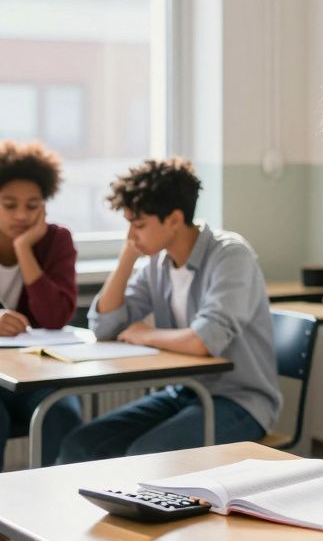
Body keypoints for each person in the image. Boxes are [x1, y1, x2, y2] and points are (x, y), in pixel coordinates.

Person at [58, 158, 281, 462]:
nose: (130, 236)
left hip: (240, 401)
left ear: (174, 219)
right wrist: (127, 257)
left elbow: (203, 341)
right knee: (80, 444)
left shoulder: (231, 255)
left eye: (139, 226)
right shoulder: (157, 264)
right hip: (184, 393)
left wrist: (146, 335)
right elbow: (104, 327)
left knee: (146, 456)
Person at [0, 141, 81, 467]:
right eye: (10, 205)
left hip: (38, 377)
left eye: (32, 206)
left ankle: (53, 498)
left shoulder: (57, 240)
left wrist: (24, 249)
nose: (22, 215)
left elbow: (54, 317)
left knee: (62, 414)